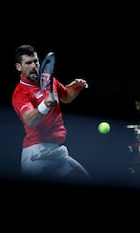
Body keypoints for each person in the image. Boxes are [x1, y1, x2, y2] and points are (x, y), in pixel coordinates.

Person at [11, 44, 92, 184]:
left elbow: (66, 96)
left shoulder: (49, 80)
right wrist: (45, 105)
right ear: (19, 67)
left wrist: (76, 87)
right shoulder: (20, 93)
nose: (34, 66)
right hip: (36, 153)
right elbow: (30, 120)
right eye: (28, 63)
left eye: (35, 61)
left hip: (57, 151)